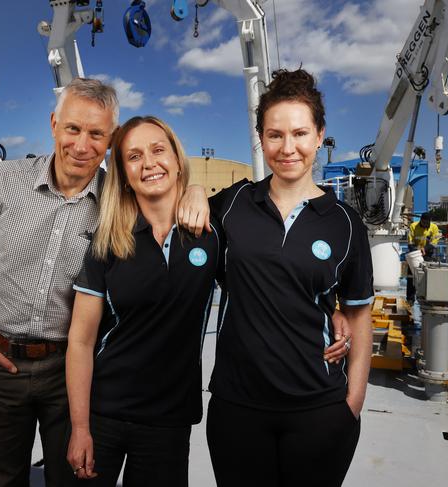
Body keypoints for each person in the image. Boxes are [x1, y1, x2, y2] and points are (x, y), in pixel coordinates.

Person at [64, 115, 352, 487]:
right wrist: (80, 427)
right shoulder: (108, 240)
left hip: (169, 420)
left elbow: (269, 278)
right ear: (122, 172)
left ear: (176, 157)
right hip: (102, 413)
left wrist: (334, 310)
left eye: (157, 150)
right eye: (134, 157)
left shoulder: (212, 235)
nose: (149, 163)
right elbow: (82, 340)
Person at [201, 68, 374, 487]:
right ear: (261, 138)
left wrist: (352, 402)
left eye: (299, 133)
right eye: (275, 135)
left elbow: (360, 316)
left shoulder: (345, 224)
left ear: (319, 135)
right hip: (237, 407)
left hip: (318, 408)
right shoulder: (232, 203)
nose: (288, 147)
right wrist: (190, 191)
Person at [0, 78, 120, 487]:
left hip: (71, 372)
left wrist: (194, 189)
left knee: (71, 478)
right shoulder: (4, 180)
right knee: (6, 477)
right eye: (73, 129)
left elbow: (166, 192)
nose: (82, 145)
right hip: (0, 362)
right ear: (54, 124)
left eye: (96, 134)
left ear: (110, 138)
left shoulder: (117, 202)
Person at [406, 212, 441, 302]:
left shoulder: (434, 227)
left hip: (427, 254)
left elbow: (434, 242)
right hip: (415, 254)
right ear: (421, 220)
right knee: (411, 276)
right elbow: (410, 242)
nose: (426, 225)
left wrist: (425, 249)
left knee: (427, 276)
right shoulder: (413, 226)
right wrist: (417, 250)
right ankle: (410, 299)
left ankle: (425, 297)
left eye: (427, 223)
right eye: (424, 222)